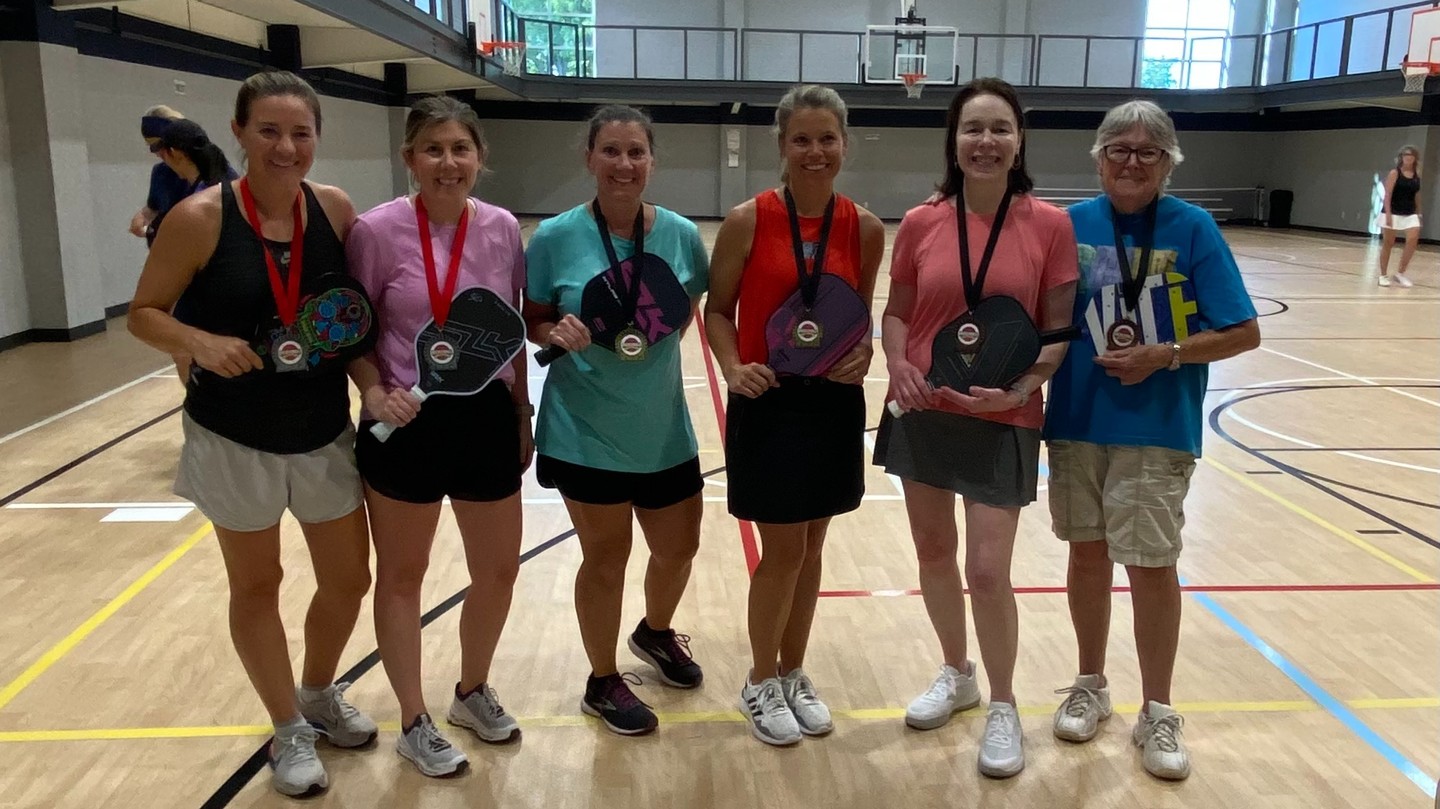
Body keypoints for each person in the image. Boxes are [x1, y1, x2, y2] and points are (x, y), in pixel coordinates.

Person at [127, 70, 376, 798]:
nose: (286, 146)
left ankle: (318, 693)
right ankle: (286, 726)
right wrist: (198, 342)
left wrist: (373, 387)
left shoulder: (333, 209)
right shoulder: (199, 218)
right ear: (238, 133)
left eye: (300, 133)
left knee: (348, 579)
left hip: (324, 428)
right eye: (268, 130)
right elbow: (145, 310)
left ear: (317, 140)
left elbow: (349, 316)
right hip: (232, 434)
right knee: (258, 582)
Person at [1043, 99, 1260, 781]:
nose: (1131, 162)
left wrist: (1165, 354)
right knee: (1086, 554)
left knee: (1150, 565)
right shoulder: (1068, 224)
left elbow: (1243, 331)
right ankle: (1090, 683)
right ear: (1098, 157)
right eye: (1119, 149)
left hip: (1156, 426)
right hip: (1076, 420)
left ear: (1168, 163)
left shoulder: (1192, 228)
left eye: (1147, 152)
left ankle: (1158, 709)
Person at [874, 77, 1077, 777]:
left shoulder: (1050, 224)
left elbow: (1058, 330)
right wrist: (897, 361)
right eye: (972, 129)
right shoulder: (923, 220)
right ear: (953, 143)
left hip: (1003, 416)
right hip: (924, 409)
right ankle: (955, 672)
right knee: (934, 552)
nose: (985, 142)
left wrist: (1019, 388)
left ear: (1018, 142)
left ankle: (1002, 703)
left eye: (999, 129)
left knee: (987, 571)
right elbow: (898, 309)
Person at [346, 96, 529, 777]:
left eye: (460, 148)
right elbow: (356, 334)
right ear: (409, 159)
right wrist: (372, 391)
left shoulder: (505, 228)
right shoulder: (375, 230)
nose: (447, 162)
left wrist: (521, 413)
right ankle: (413, 720)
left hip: (483, 417)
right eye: (433, 148)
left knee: (499, 570)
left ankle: (471, 690)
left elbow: (507, 330)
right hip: (405, 419)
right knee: (401, 576)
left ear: (479, 156)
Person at [704, 84, 884, 747]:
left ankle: (794, 669)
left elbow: (853, 315)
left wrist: (862, 353)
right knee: (782, 550)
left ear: (844, 144)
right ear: (781, 146)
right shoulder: (748, 219)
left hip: (832, 403)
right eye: (801, 139)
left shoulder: (863, 227)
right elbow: (717, 310)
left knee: (812, 549)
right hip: (767, 397)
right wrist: (730, 367)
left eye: (827, 138)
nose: (815, 151)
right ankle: (759, 678)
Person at [523, 104, 709, 737]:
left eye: (636, 152)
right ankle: (601, 680)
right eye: (611, 151)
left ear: (651, 160)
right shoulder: (553, 237)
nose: (624, 164)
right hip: (584, 428)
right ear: (589, 158)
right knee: (607, 555)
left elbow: (687, 304)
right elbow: (535, 317)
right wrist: (557, 330)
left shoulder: (682, 234)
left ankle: (655, 634)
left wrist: (648, 338)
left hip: (662, 428)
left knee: (679, 547)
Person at [148, 119, 239, 383]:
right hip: (208, 293)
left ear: (173, 153)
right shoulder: (214, 181)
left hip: (205, 293)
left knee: (186, 353)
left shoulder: (203, 199)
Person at [129, 105, 189, 241]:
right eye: (153, 148)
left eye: (159, 146)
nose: (158, 154)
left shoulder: (211, 172)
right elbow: (154, 207)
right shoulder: (161, 172)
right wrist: (143, 216)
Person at [1377, 145, 1423, 287]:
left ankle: (1400, 273)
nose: (1408, 157)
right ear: (1401, 157)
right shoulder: (1394, 173)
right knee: (1388, 243)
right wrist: (1389, 214)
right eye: (1405, 155)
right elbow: (1388, 194)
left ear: (1415, 158)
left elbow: (1416, 195)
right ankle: (1383, 275)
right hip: (1393, 212)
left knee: (1413, 240)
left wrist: (1419, 213)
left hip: (1410, 213)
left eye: (1411, 155)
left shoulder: (1416, 175)